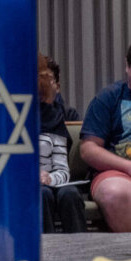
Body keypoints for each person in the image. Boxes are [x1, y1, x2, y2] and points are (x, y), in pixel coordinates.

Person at [80, 36, 131, 232]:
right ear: (127, 66)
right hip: (122, 173)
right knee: (115, 195)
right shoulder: (109, 98)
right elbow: (88, 149)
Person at [39, 54, 85, 233]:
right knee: (42, 194)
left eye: (47, 79)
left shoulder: (57, 117)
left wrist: (50, 178)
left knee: (70, 193)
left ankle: (81, 256)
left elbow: (62, 168)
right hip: (25, 185)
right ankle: (46, 257)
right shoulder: (11, 116)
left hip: (53, 180)